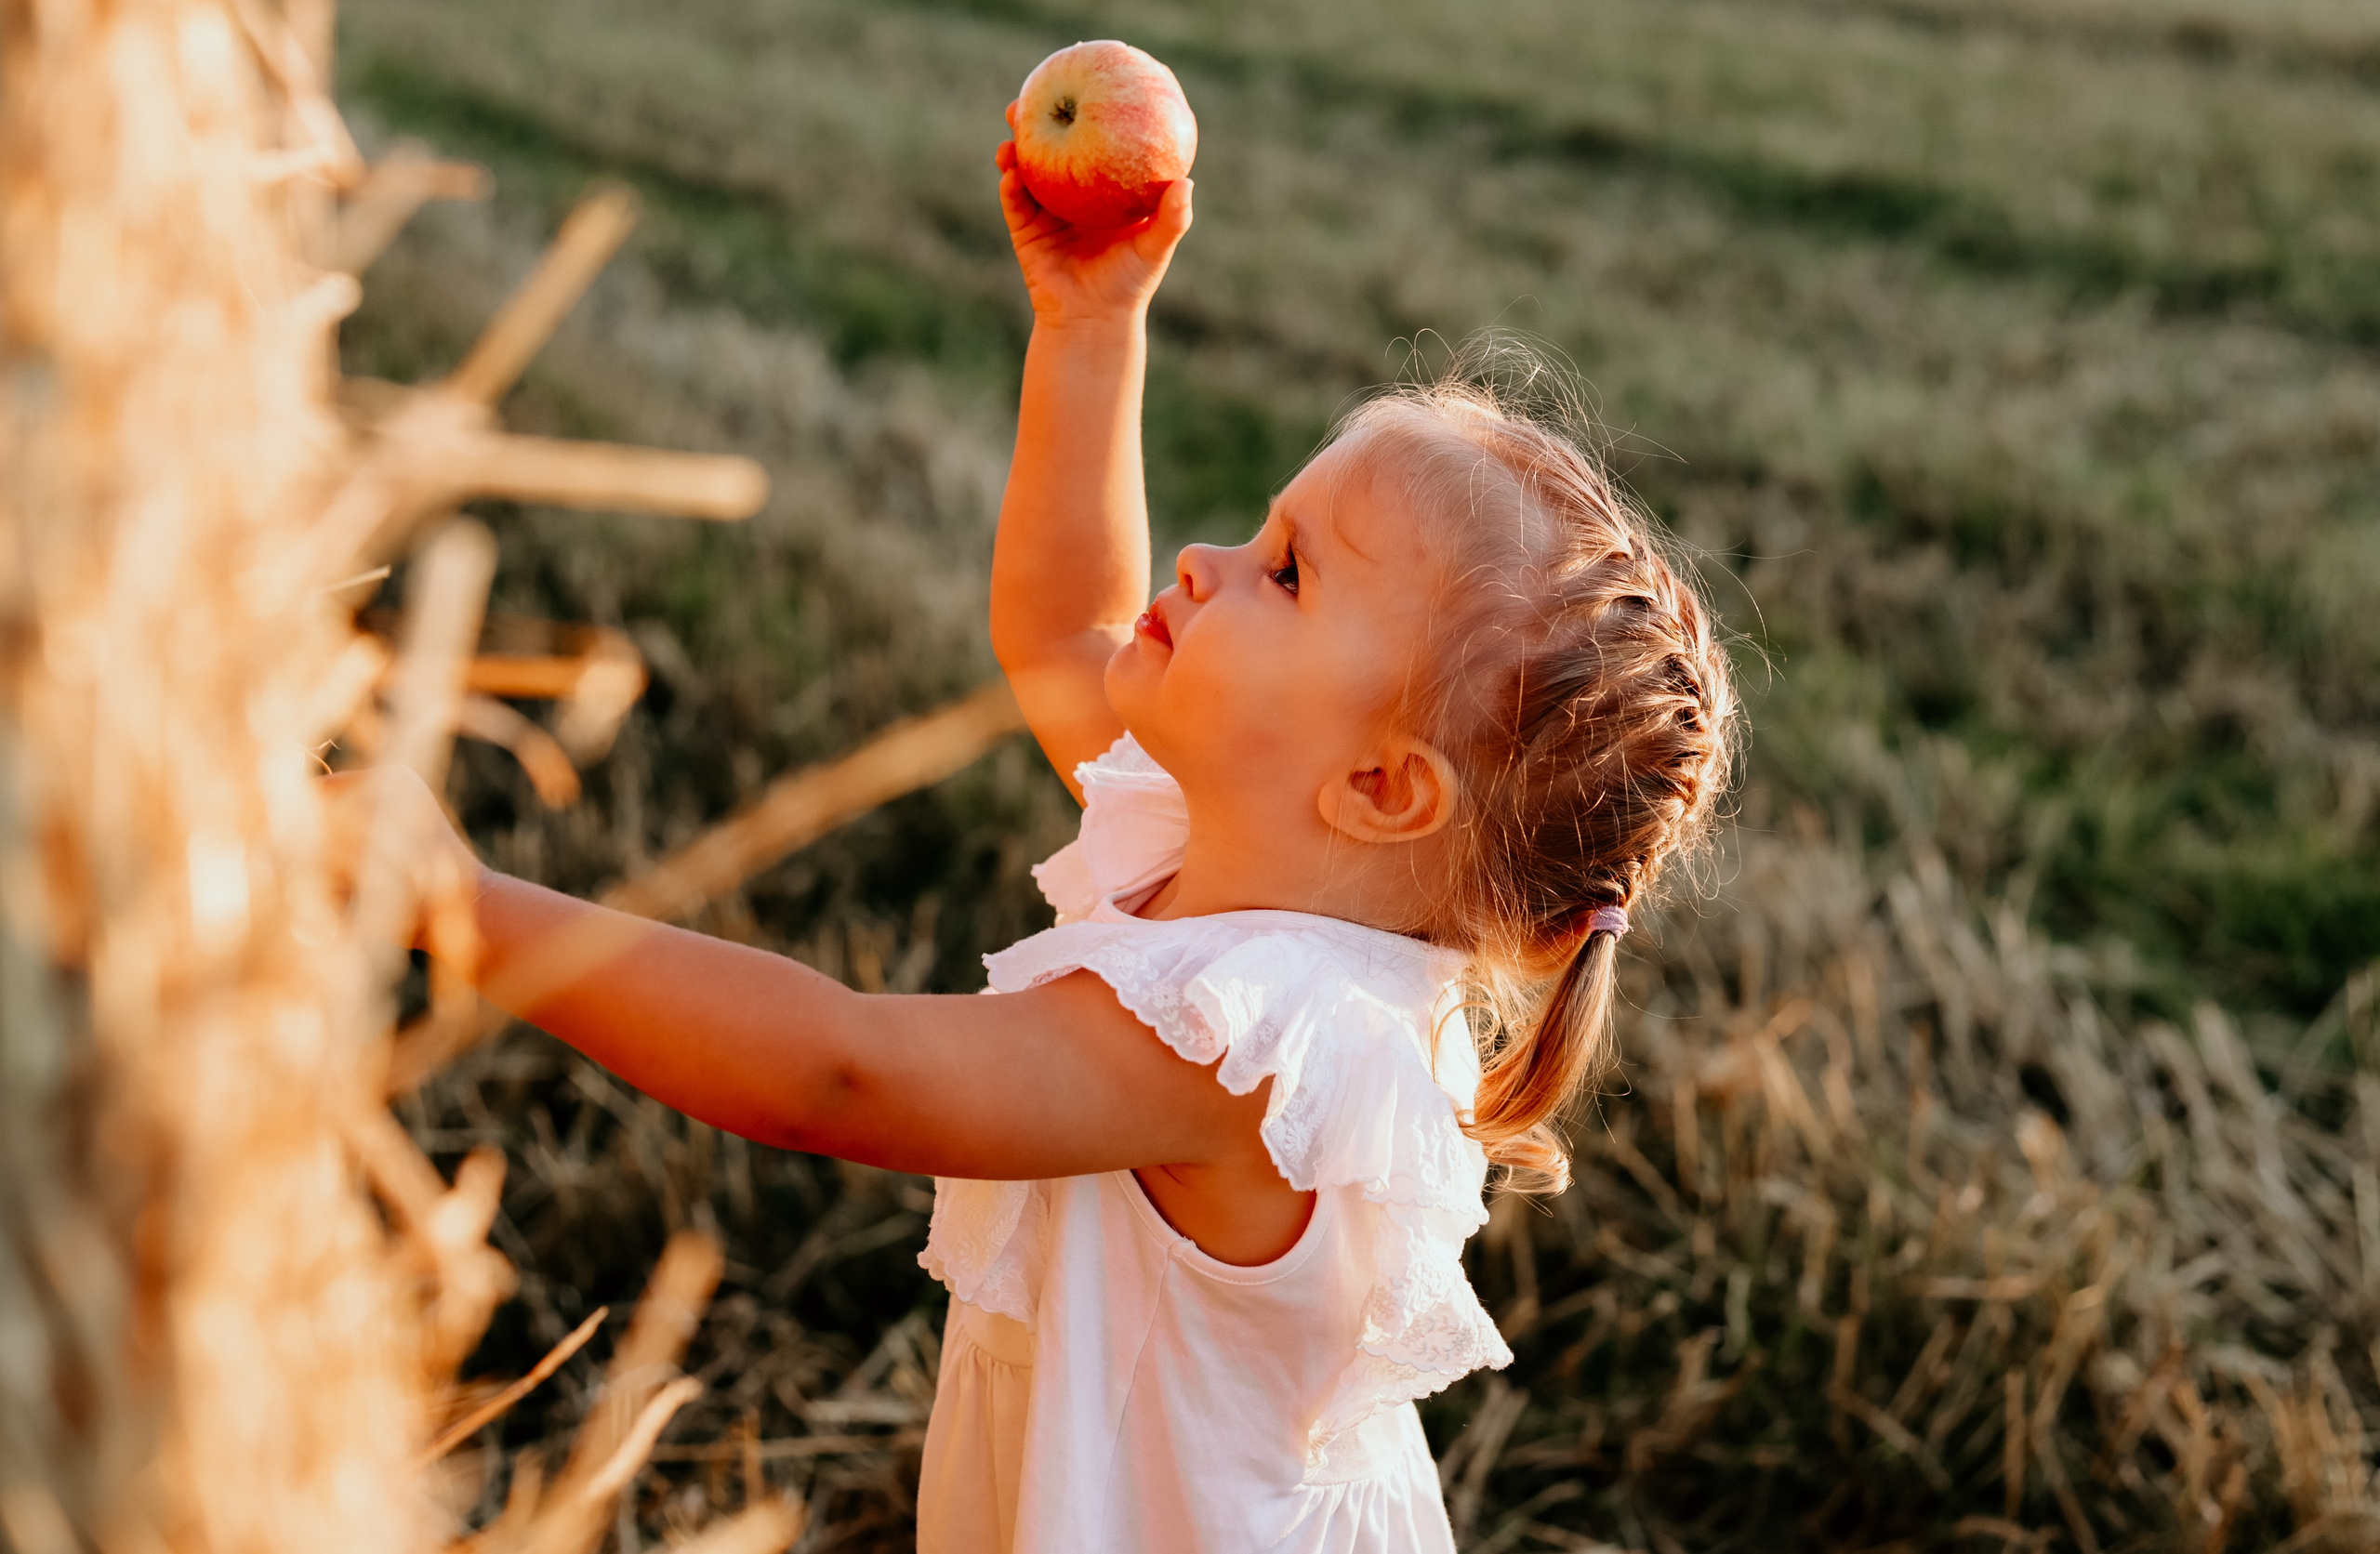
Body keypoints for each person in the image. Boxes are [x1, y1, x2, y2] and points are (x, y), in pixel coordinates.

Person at [349, 134, 1737, 1552]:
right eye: (1266, 529)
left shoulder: (1253, 1050)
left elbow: (841, 1073)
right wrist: (1089, 324)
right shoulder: (1254, 850)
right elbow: (1065, 635)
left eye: (1288, 573)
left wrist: (468, 906)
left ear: (1382, 785)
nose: (1202, 563)